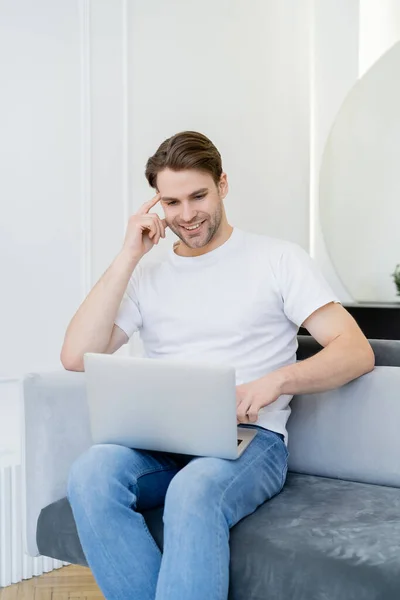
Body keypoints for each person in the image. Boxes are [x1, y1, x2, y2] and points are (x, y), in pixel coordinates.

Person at [61, 131, 374, 600]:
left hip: (251, 440)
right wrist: (129, 255)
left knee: (194, 490)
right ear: (157, 207)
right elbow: (75, 356)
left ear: (223, 184)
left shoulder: (277, 259)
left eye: (198, 196)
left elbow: (356, 350)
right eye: (171, 202)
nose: (186, 215)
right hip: (162, 442)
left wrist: (276, 380)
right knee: (90, 473)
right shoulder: (147, 272)